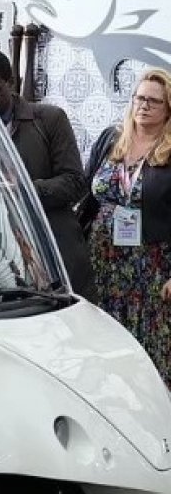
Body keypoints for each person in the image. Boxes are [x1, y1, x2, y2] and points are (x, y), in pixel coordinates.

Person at [0, 49, 94, 300]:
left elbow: (75, 182)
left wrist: (24, 190)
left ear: (11, 83)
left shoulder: (49, 120)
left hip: (51, 249)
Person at [83, 69, 171, 382]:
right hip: (102, 257)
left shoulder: (168, 149)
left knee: (148, 340)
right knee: (102, 332)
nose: (144, 106)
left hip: (151, 264)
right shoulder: (111, 139)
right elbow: (86, 192)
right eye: (140, 98)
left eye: (154, 101)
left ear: (168, 109)